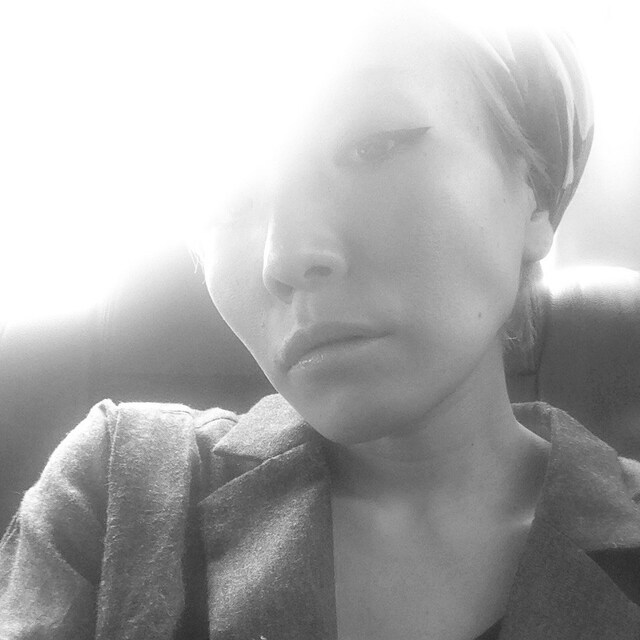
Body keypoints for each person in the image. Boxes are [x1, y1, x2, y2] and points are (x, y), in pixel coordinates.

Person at [2, 6, 639, 640]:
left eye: (371, 146)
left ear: (535, 194)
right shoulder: (117, 488)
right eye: (228, 203)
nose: (283, 258)